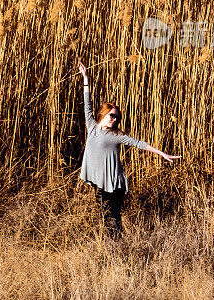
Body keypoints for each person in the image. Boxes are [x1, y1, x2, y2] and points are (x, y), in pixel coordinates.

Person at [77, 60, 180, 239]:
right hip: (101, 182)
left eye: (117, 117)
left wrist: (162, 153)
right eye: (112, 115)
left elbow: (139, 143)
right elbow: (87, 103)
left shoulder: (117, 135)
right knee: (106, 216)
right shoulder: (92, 126)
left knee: (111, 218)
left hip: (114, 184)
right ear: (103, 114)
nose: (115, 119)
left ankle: (117, 248)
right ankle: (116, 247)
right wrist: (86, 78)